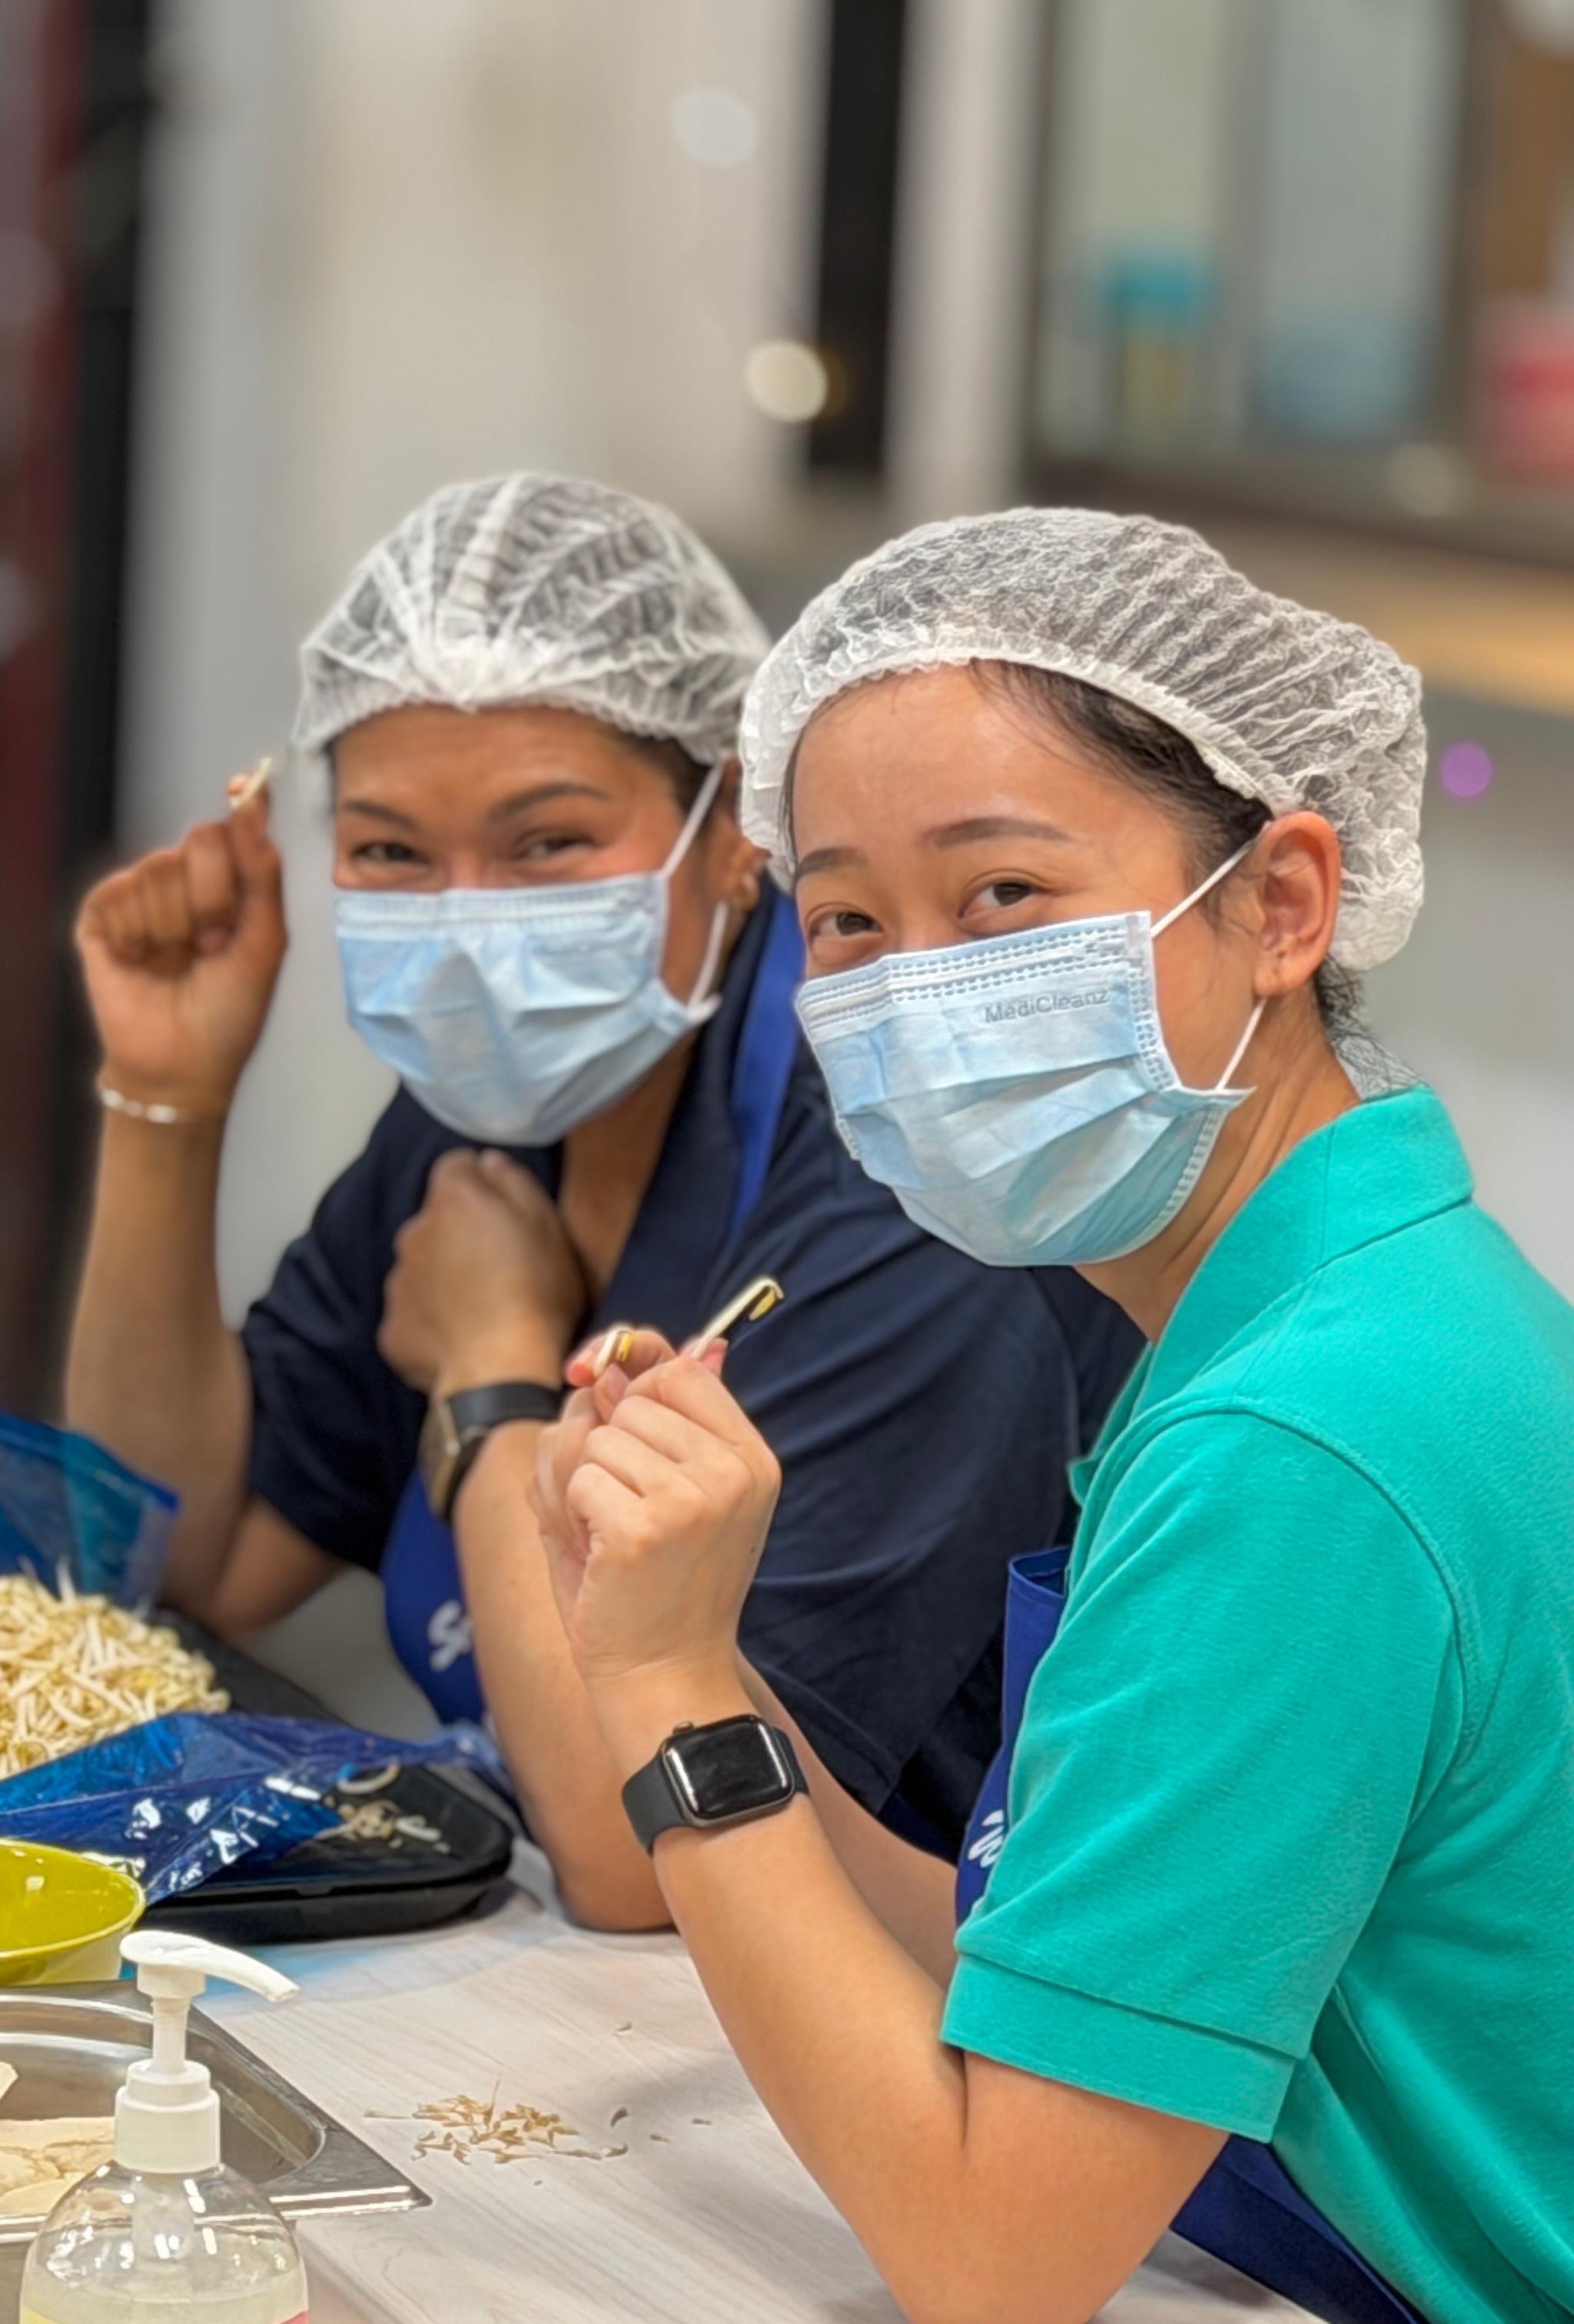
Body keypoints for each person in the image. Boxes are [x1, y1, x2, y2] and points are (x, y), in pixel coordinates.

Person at [535, 509, 1573, 2324]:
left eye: (1002, 896)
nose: (919, 988)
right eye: (847, 918)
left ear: (1280, 906)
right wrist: (681, 1634)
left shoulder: (1309, 1444)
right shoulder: (1337, 1310)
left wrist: (670, 1699)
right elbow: (1054, 1958)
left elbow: (995, 2256)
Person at [61, 475, 1137, 1930]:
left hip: (883, 2009)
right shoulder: (496, 1100)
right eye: (391, 852)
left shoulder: (910, 1168)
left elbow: (654, 1847)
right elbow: (191, 1550)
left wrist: (493, 1378)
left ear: (731, 831)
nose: (466, 932)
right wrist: (167, 1103)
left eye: (547, 844)